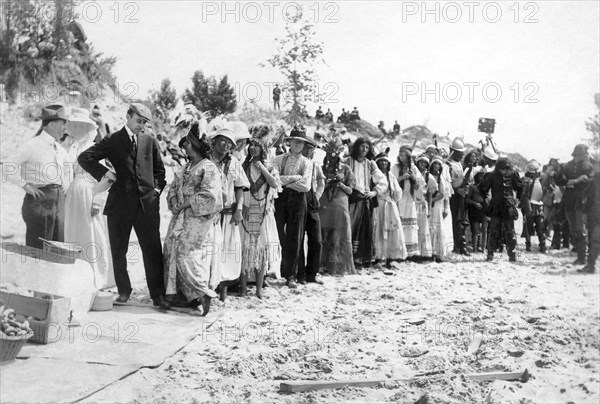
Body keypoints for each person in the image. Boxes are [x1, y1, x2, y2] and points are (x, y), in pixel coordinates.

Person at [78, 103, 171, 309]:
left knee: (152, 250)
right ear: (128, 117)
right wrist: (105, 174)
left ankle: (157, 295)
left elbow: (160, 173)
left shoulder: (150, 141)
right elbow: (85, 158)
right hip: (120, 204)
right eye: (139, 121)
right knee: (118, 250)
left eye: (145, 123)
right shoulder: (112, 140)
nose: (141, 126)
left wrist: (155, 192)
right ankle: (124, 290)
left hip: (147, 205)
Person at [163, 123, 223, 315]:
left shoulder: (208, 167)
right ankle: (183, 296)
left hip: (196, 219)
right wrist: (173, 199)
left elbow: (212, 195)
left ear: (196, 145)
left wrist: (187, 204)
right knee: (172, 250)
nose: (185, 146)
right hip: (180, 216)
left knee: (187, 255)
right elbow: (173, 186)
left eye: (188, 142)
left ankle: (203, 291)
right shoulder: (186, 166)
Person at [63, 108, 115, 289]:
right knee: (73, 233)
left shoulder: (93, 150)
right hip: (72, 194)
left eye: (82, 126)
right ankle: (75, 278)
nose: (78, 129)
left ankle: (95, 278)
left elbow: (105, 177)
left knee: (91, 234)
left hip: (88, 192)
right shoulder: (70, 147)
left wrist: (97, 200)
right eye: (75, 125)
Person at [7, 104, 69, 249]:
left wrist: (65, 186)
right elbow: (9, 166)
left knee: (58, 247)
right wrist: (25, 185)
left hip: (59, 202)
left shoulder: (60, 149)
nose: (65, 128)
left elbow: (68, 170)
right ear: (52, 124)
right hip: (40, 200)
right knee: (38, 250)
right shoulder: (32, 145)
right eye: (63, 124)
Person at [209, 127, 250, 302]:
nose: (226, 145)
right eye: (222, 141)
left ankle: (223, 294)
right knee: (210, 252)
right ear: (215, 141)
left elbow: (239, 187)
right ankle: (208, 291)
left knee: (227, 253)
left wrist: (239, 209)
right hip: (209, 215)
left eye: (230, 143)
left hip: (228, 214)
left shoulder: (234, 163)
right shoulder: (207, 160)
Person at [239, 136, 282, 298]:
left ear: (262, 149)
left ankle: (258, 289)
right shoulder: (244, 165)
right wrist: (242, 204)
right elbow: (239, 186)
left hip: (264, 211)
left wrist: (262, 168)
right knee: (245, 249)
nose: (252, 148)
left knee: (261, 250)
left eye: (257, 146)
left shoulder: (270, 165)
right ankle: (243, 288)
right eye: (251, 145)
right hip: (247, 210)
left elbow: (274, 184)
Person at [272, 126, 313, 288]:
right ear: (289, 142)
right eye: (295, 142)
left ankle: (291, 274)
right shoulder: (278, 159)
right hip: (280, 199)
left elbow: (305, 186)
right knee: (278, 234)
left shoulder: (307, 163)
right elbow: (275, 180)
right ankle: (278, 269)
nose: (298, 145)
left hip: (298, 200)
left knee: (295, 237)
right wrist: (294, 178)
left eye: (301, 143)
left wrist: (285, 180)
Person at [346, 137, 387, 268]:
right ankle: (348, 257)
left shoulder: (370, 164)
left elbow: (383, 181)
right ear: (357, 147)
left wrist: (375, 192)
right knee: (349, 227)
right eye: (362, 146)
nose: (364, 149)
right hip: (350, 199)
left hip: (364, 200)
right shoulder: (347, 161)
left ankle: (360, 258)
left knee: (364, 228)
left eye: (367, 147)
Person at [319, 136, 357, 275]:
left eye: (335, 154)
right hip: (324, 204)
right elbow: (317, 187)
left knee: (341, 233)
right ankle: (322, 264)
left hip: (340, 204)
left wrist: (339, 184)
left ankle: (340, 266)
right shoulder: (322, 168)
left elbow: (351, 190)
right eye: (329, 154)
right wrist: (328, 182)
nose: (332, 157)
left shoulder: (346, 169)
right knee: (323, 233)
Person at [554, 144, 594, 266]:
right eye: (582, 154)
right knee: (572, 228)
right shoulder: (566, 166)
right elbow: (558, 180)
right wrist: (575, 181)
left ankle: (583, 257)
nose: (584, 156)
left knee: (580, 228)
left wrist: (569, 183)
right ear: (576, 154)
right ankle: (580, 253)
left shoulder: (588, 166)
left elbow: (586, 182)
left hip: (581, 200)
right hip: (569, 200)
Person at [479, 158, 524, 262]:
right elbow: (482, 188)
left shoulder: (513, 175)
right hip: (496, 206)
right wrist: (486, 199)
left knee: (510, 231)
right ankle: (490, 254)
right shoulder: (492, 176)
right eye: (502, 169)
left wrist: (517, 199)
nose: (504, 171)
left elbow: (520, 187)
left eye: (506, 168)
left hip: (508, 206)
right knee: (493, 231)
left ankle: (512, 254)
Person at [297, 138, 325, 285]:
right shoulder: (298, 163)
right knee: (299, 238)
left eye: (312, 149)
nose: (309, 152)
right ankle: (300, 274)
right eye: (307, 148)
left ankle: (312, 273)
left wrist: (317, 196)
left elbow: (321, 181)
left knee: (316, 239)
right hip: (298, 200)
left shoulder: (315, 165)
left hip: (312, 200)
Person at [373, 150, 407, 267]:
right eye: (381, 161)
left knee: (392, 230)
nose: (383, 163)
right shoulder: (374, 175)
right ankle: (378, 257)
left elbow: (398, 192)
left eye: (385, 161)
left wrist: (394, 198)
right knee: (379, 229)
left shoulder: (391, 176)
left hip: (390, 205)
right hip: (378, 204)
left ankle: (389, 257)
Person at [392, 145, 423, 257]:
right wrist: (401, 178)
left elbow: (419, 186)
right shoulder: (395, 167)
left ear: (408, 156)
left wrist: (413, 178)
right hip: (399, 199)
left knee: (409, 227)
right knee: (399, 224)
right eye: (400, 153)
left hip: (409, 199)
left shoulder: (414, 168)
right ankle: (398, 251)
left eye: (403, 154)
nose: (401, 156)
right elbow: (391, 181)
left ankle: (409, 252)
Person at [446, 137, 470, 256]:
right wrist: (456, 190)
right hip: (451, 196)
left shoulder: (459, 164)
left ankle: (461, 246)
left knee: (460, 221)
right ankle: (455, 246)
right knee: (453, 221)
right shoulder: (448, 164)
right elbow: (447, 183)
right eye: (460, 152)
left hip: (460, 196)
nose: (462, 155)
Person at [520, 160, 546, 253]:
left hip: (538, 206)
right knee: (530, 226)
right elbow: (525, 196)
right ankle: (530, 245)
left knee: (539, 226)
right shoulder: (528, 182)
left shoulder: (541, 181)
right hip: (531, 206)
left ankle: (541, 245)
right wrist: (528, 209)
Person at [429, 156, 451, 261]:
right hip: (427, 204)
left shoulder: (441, 178)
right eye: (434, 164)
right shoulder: (427, 175)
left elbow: (443, 194)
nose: (436, 166)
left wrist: (432, 200)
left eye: (438, 164)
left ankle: (436, 252)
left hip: (436, 205)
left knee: (436, 226)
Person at [581, 159, 599, 273]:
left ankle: (591, 265)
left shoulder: (594, 181)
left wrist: (585, 213)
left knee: (595, 239)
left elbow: (588, 199)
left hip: (596, 214)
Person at [415, 154, 433, 258]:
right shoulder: (414, 173)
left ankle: (422, 253)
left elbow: (430, 193)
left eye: (425, 163)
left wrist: (429, 209)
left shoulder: (428, 176)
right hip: (413, 202)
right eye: (421, 162)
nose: (423, 164)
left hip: (423, 203)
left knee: (423, 227)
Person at [466, 172, 487, 253]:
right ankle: (474, 248)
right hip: (474, 208)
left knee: (484, 229)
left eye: (483, 176)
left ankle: (483, 248)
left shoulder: (486, 187)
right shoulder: (472, 187)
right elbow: (467, 199)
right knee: (475, 230)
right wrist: (475, 203)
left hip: (484, 207)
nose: (481, 178)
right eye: (480, 176)